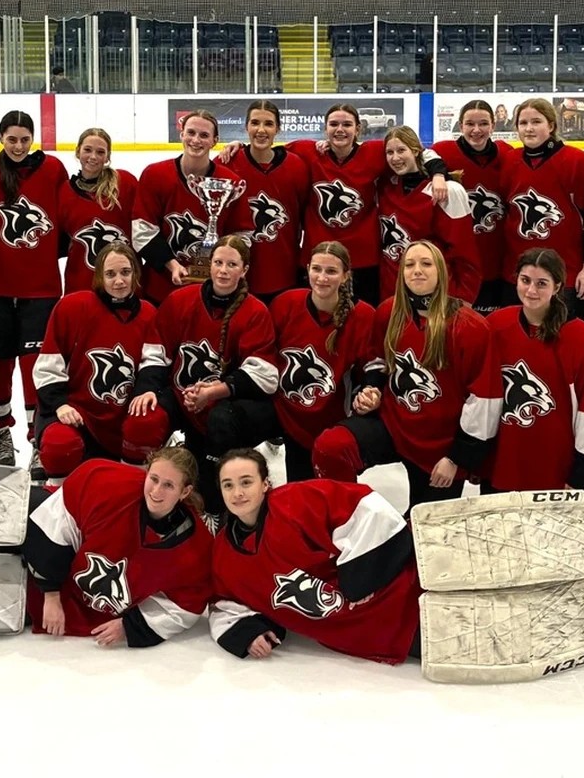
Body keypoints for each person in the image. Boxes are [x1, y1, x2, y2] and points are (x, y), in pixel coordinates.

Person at [313, 240, 501, 512]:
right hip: (394, 425)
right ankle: (349, 521)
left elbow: (485, 400)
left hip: (441, 447)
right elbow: (377, 361)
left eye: (426, 264)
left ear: (441, 271)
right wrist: (372, 391)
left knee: (425, 535)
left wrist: (457, 457)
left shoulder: (470, 327)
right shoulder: (389, 312)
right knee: (331, 447)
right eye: (409, 264)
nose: (417, 270)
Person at [208, 448, 421, 664]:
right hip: (368, 635)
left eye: (246, 482)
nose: (237, 493)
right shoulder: (223, 554)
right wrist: (249, 632)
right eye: (228, 485)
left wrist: (360, 579)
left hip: (404, 595)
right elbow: (223, 603)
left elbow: (366, 507)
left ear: (265, 484)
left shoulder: (295, 502)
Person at [123, 235, 279, 516]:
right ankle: (135, 498)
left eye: (231, 264)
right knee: (142, 419)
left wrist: (212, 393)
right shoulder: (179, 300)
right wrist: (147, 388)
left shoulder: (255, 311)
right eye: (218, 262)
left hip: (226, 407)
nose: (222, 270)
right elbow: (157, 352)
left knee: (218, 432)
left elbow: (265, 376)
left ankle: (217, 511)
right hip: (182, 396)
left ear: (244, 270)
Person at [0, 111, 68, 474]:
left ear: (33, 139)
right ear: (0, 138)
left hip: (42, 288)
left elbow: (68, 215)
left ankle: (39, 439)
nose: (18, 146)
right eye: (11, 139)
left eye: (24, 139)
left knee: (36, 368)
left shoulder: (52, 170)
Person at [24, 448, 213, 644]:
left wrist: (129, 626)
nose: (157, 491)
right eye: (154, 479)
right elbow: (54, 520)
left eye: (168, 485)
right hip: (56, 573)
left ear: (185, 491)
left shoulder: (196, 548)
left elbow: (187, 604)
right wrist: (51, 594)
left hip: (100, 613)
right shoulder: (108, 485)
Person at [280, 103, 449, 305]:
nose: (340, 129)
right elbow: (265, 151)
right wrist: (237, 147)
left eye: (347, 124)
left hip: (364, 261)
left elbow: (421, 153)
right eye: (334, 124)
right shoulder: (306, 151)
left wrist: (438, 174)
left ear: (358, 129)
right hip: (318, 259)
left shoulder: (375, 153)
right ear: (325, 129)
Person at [485, 249, 584, 493]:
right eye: (525, 281)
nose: (531, 291)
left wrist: (583, 477)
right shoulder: (496, 325)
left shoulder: (582, 339)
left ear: (557, 287)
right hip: (501, 464)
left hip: (556, 472)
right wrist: (476, 457)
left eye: (541, 283)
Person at [32, 243, 159, 485]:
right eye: (110, 274)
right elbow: (48, 364)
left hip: (122, 415)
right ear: (99, 275)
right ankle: (59, 504)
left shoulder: (149, 314)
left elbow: (153, 363)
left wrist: (146, 392)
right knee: (60, 446)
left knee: (148, 424)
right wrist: (59, 405)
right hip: (76, 413)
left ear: (136, 273)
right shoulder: (73, 307)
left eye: (125, 272)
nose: (119, 281)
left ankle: (130, 489)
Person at [269, 241, 376, 482]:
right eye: (316, 269)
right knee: (300, 492)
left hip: (333, 421)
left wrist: (369, 392)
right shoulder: (285, 304)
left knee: (336, 492)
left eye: (331, 271)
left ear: (346, 275)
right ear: (307, 269)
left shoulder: (364, 316)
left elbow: (371, 367)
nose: (322, 277)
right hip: (287, 413)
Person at [502, 98, 584, 320]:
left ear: (551, 126)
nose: (529, 128)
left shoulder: (579, 162)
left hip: (566, 275)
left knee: (563, 342)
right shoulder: (509, 161)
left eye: (536, 122)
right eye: (523, 123)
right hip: (518, 275)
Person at [131, 110, 250, 304]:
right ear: (182, 135)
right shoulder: (155, 175)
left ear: (215, 141)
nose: (196, 140)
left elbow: (241, 235)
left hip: (214, 290)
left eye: (204, 135)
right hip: (162, 287)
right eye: (191, 133)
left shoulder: (230, 182)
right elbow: (142, 230)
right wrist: (172, 265)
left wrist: (222, 269)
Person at [379, 124, 480, 303]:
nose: (395, 158)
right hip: (392, 293)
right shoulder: (384, 186)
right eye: (390, 152)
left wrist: (464, 299)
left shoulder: (448, 191)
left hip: (435, 294)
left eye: (401, 150)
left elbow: (464, 251)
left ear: (417, 151)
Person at [433, 99, 516, 316]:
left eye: (483, 124)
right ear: (460, 126)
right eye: (470, 124)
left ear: (493, 126)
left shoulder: (507, 155)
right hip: (459, 261)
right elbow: (407, 159)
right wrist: (438, 173)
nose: (476, 130)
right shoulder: (442, 153)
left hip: (497, 258)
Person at [222, 100, 310, 303]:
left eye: (268, 124)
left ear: (278, 128)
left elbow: (305, 216)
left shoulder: (296, 166)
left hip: (284, 270)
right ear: (246, 127)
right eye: (255, 123)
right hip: (238, 275)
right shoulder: (226, 164)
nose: (261, 130)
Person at [59, 127, 137, 294]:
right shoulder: (64, 191)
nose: (93, 157)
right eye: (87, 150)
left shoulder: (125, 183)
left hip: (123, 282)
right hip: (81, 282)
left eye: (100, 152)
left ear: (108, 156)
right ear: (77, 152)